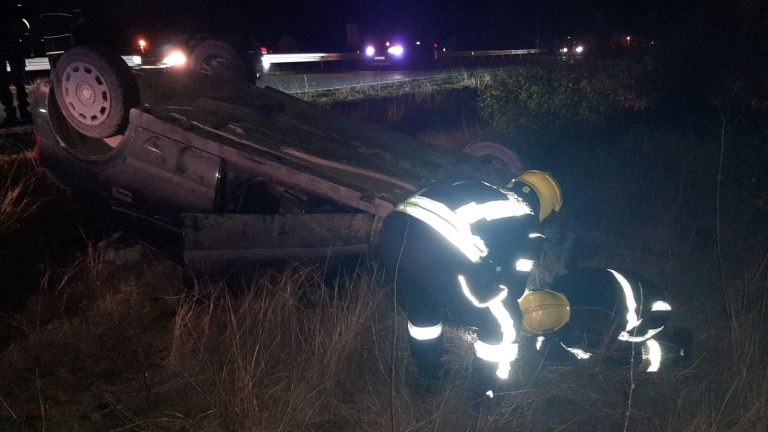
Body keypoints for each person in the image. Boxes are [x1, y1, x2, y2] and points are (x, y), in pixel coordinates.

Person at [377, 170, 563, 399]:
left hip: (394, 232)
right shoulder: (528, 221)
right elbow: (512, 285)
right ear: (547, 205)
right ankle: (486, 393)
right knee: (503, 322)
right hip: (439, 245)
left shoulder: (483, 186)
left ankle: (427, 380)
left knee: (423, 308)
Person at [517, 267, 690, 373]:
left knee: (620, 358)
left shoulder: (588, 331)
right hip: (641, 285)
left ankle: (675, 353)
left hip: (650, 314)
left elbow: (589, 354)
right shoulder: (564, 282)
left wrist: (551, 349)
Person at [0, 1, 32, 125]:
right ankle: (20, 110)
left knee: (13, 79)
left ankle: (15, 111)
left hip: (12, 42)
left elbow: (24, 20)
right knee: (15, 79)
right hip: (13, 42)